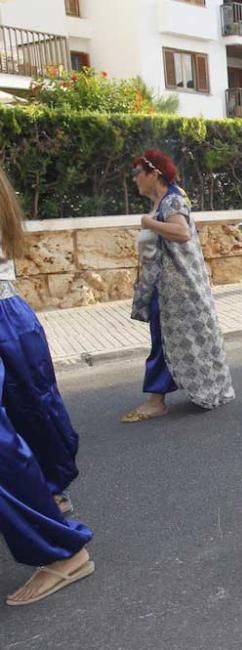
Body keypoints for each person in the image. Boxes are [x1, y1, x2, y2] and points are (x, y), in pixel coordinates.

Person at [0, 166, 95, 606]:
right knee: (32, 418)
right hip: (11, 318)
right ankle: (51, 502)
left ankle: (62, 552)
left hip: (7, 320)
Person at [123, 150, 234, 422]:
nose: (134, 179)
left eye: (138, 173)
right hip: (167, 287)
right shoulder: (163, 200)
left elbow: (181, 232)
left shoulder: (171, 201)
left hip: (177, 290)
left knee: (165, 341)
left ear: (154, 174)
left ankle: (156, 399)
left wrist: (149, 222)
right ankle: (165, 395)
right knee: (169, 340)